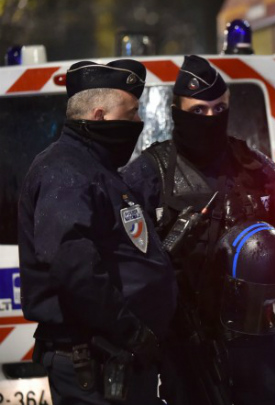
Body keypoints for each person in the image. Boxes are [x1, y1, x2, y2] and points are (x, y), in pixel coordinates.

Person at [121, 54, 275, 405]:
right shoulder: (148, 175)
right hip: (185, 344)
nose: (210, 119)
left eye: (219, 110)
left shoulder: (257, 171)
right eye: (198, 111)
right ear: (177, 111)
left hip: (258, 341)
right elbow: (126, 261)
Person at [18, 60, 177, 405]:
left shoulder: (96, 168)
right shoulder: (65, 170)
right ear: (100, 115)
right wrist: (130, 331)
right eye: (132, 113)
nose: (139, 122)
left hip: (116, 357)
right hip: (93, 360)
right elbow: (74, 266)